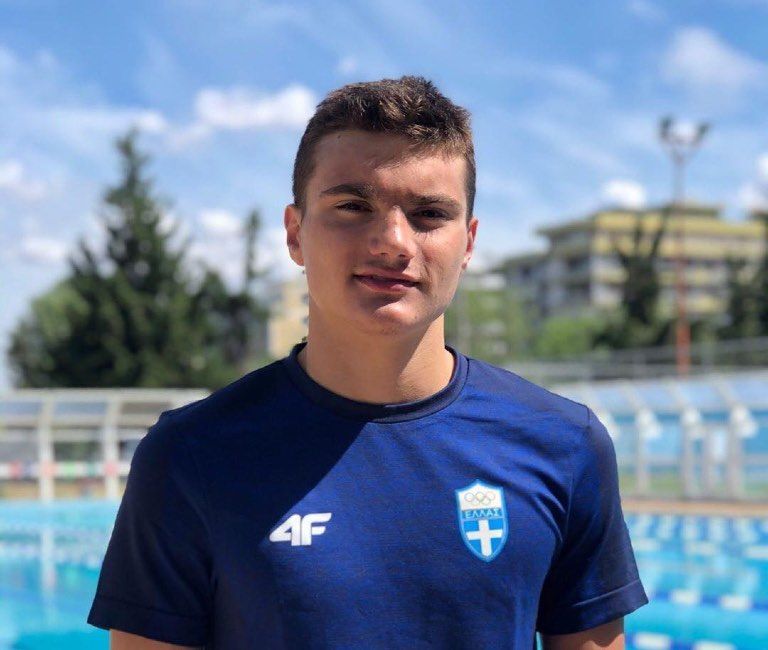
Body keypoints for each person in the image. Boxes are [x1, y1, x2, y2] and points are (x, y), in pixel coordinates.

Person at [87, 75, 648, 649]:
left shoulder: (563, 444)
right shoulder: (192, 455)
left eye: (429, 213)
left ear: (469, 242)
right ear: (295, 234)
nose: (394, 242)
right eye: (353, 206)